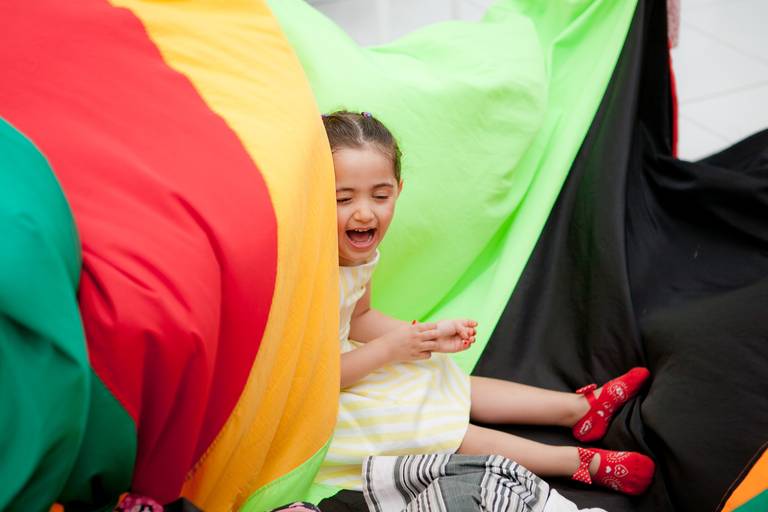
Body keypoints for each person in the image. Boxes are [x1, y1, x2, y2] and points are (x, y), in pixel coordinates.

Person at [316, 110, 655, 496]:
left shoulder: (356, 252)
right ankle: (575, 462)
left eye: (381, 195)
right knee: (422, 422)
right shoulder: (308, 271)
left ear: (399, 188)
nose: (365, 212)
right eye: (343, 198)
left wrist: (422, 338)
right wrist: (391, 349)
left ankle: (578, 409)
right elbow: (314, 382)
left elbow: (358, 317)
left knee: (436, 373)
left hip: (347, 363)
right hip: (318, 404)